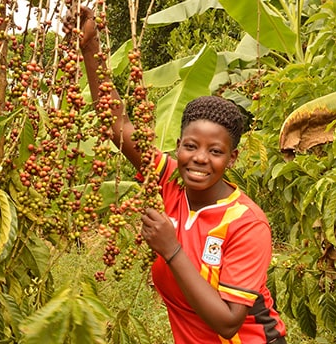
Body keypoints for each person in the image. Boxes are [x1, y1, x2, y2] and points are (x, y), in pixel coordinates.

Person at [73, 6, 287, 344]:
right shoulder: (170, 182)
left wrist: (171, 250)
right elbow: (118, 124)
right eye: (191, 146)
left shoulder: (246, 224)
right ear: (177, 146)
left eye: (215, 152)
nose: (200, 159)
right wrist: (91, 47)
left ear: (232, 159)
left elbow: (229, 322)